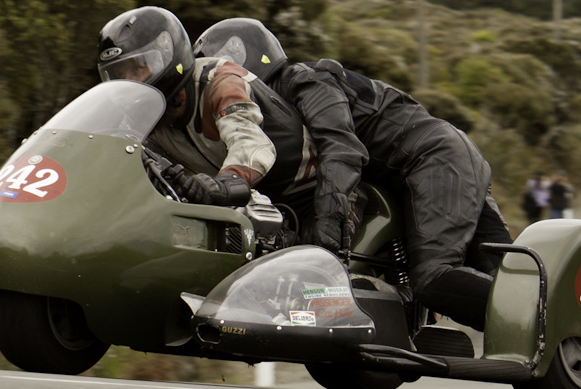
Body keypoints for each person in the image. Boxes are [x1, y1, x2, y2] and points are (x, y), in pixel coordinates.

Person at [193, 17, 512, 333]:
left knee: (434, 275)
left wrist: (328, 236)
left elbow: (341, 149)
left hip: (434, 157)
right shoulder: (271, 116)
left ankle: (541, 320)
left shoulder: (305, 81)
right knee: (505, 276)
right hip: (404, 176)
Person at [96, 6, 319, 212]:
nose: (129, 82)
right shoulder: (150, 118)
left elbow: (252, 144)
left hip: (309, 192)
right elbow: (116, 153)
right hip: (258, 202)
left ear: (166, 56)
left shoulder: (218, 80)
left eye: (137, 70)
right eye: (118, 75)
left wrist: (224, 184)